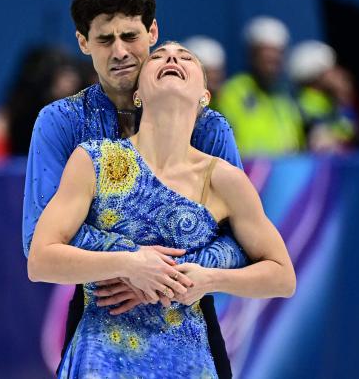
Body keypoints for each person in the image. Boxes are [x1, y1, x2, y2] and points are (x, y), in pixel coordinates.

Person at [22, 0, 247, 378]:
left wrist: (163, 276)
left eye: (130, 36)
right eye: (105, 40)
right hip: (100, 313)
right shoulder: (62, 123)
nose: (120, 51)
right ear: (83, 42)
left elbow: (242, 238)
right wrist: (127, 263)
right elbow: (38, 238)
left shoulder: (210, 128)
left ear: (153, 31)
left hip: (191, 316)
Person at [28, 42, 296, 378]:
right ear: (138, 93)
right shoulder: (93, 159)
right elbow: (40, 260)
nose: (172, 57)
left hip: (185, 361)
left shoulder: (224, 180)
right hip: (101, 358)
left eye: (186, 58)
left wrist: (209, 279)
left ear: (205, 96)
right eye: (159, 57)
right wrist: (129, 263)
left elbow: (282, 276)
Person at [216, 16, 305, 156]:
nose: (271, 66)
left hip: (283, 173)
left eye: (276, 58)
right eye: (266, 58)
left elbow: (298, 143)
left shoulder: (285, 97)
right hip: (245, 172)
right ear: (252, 55)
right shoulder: (233, 91)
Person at [287, 40, 357, 152]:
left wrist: (343, 100)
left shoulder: (330, 101)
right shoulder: (305, 103)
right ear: (316, 75)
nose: (337, 73)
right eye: (330, 68)